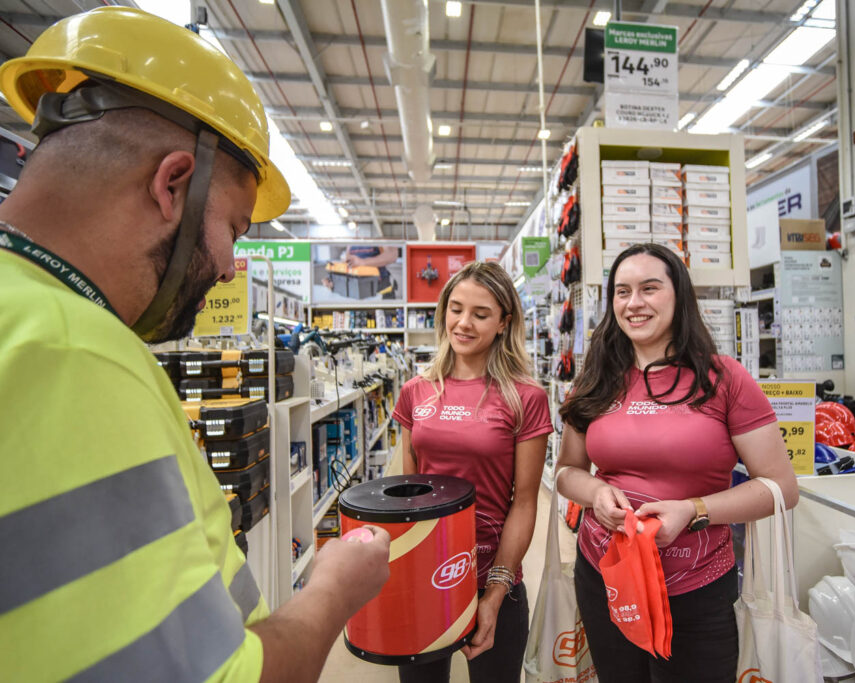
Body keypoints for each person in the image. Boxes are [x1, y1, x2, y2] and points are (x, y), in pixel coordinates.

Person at [0, 8, 390, 682]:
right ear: (172, 184)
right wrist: (333, 587)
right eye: (234, 229)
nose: (233, 269)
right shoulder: (73, 355)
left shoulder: (32, 317)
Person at [555, 243, 799, 683]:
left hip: (695, 585)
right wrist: (595, 493)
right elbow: (566, 472)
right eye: (623, 291)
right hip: (607, 576)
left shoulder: (724, 379)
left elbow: (781, 486)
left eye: (649, 288)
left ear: (679, 295)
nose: (634, 303)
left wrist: (694, 510)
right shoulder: (596, 378)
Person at [392, 261, 552, 683]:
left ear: (503, 323)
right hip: (426, 576)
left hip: (493, 575)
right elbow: (409, 493)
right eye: (456, 309)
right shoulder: (416, 391)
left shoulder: (525, 397)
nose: (463, 323)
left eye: (480, 314)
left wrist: (496, 592)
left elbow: (525, 502)